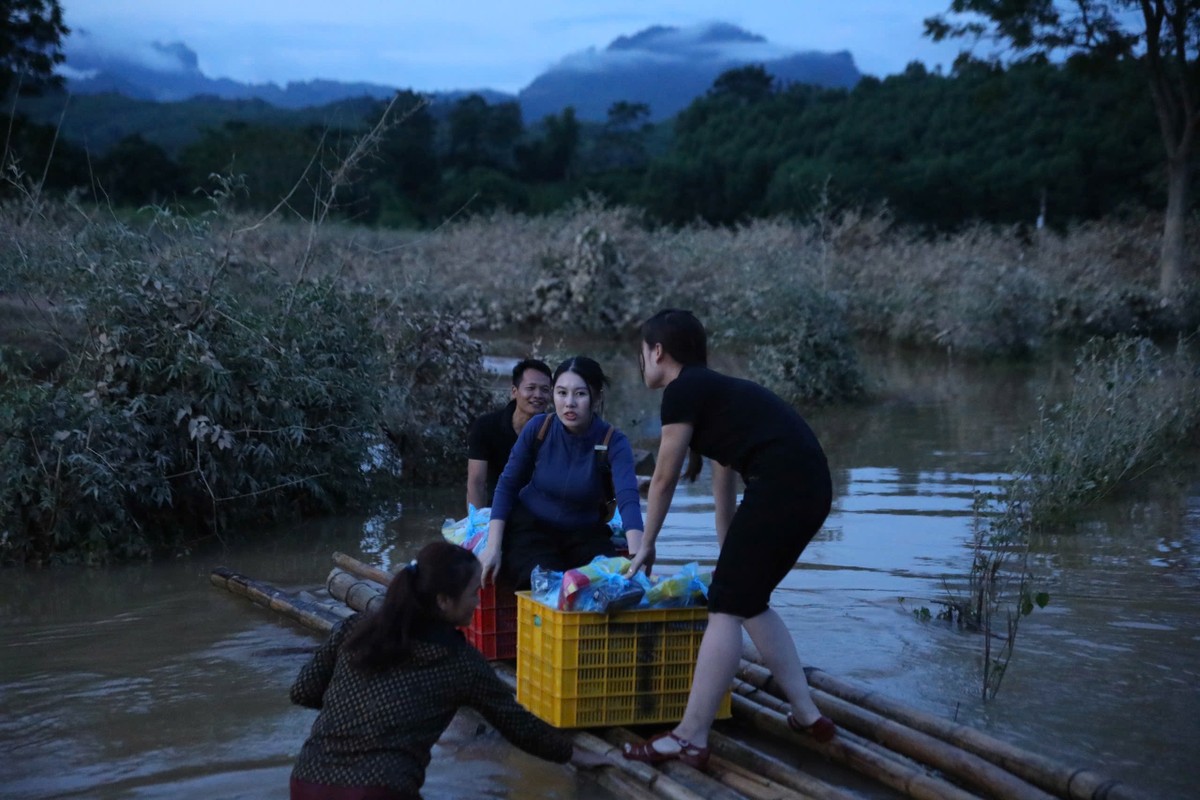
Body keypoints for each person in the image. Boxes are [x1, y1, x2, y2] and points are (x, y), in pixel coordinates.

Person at [621, 309, 836, 772]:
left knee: (724, 607)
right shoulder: (715, 394)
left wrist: (646, 544)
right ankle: (807, 714)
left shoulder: (684, 391)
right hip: (810, 487)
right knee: (747, 599)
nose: (643, 364)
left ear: (658, 351)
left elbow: (663, 477)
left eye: (643, 353)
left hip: (782, 485)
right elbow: (725, 490)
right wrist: (731, 558)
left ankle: (689, 737)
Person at [289, 540, 607, 799]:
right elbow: (520, 726)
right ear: (443, 601)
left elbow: (303, 691)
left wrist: (357, 709)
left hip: (306, 783)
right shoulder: (460, 661)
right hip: (379, 791)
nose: (477, 602)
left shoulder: (355, 629)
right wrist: (574, 755)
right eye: (472, 594)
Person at [479, 356, 644, 590]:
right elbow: (507, 485)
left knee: (610, 584)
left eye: (580, 394)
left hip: (585, 533)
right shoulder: (538, 428)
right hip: (532, 530)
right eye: (561, 393)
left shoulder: (613, 442)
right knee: (542, 580)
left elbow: (628, 497)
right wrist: (492, 547)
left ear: (596, 398)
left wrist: (637, 554)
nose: (569, 403)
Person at [466, 358, 553, 511]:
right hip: (496, 510)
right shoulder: (486, 426)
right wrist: (477, 523)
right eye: (531, 388)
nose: (538, 395)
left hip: (541, 512)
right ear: (514, 392)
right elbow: (476, 482)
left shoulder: (555, 430)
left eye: (545, 390)